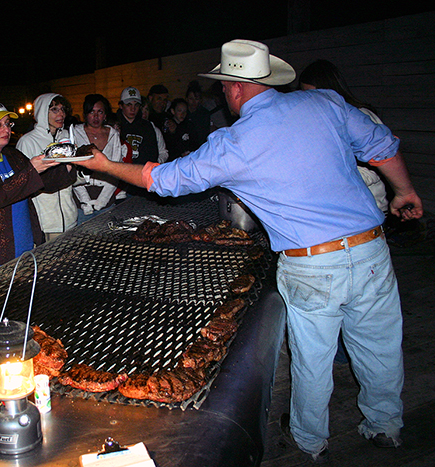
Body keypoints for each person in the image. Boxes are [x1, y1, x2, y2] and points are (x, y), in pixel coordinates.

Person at [73, 39, 423, 463]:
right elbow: (383, 145)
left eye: (223, 87)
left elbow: (163, 180)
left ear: (235, 88)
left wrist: (104, 165)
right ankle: (386, 425)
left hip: (313, 264)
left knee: (313, 357)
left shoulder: (235, 142)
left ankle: (309, 441)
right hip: (371, 249)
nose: (223, 94)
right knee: (380, 345)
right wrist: (404, 191)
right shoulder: (326, 104)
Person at [0, 100, 76, 286]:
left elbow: (41, 182)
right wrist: (32, 170)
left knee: (18, 313)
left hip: (21, 256)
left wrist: (70, 164)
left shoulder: (13, 156)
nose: (6, 130)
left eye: (8, 124)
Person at [299, 59, 389, 214]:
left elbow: (380, 166)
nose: (309, 100)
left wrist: (330, 176)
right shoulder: (318, 120)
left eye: (312, 93)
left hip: (368, 208)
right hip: (340, 209)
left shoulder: (361, 116)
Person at [16, 93, 78, 240]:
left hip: (70, 219)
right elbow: (26, 182)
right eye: (54, 109)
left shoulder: (67, 137)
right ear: (42, 112)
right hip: (46, 224)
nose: (61, 114)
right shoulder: (27, 141)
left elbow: (72, 178)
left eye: (63, 109)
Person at [70, 94, 125, 223]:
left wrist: (102, 201)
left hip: (107, 200)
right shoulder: (74, 133)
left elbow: (116, 168)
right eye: (92, 112)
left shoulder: (113, 134)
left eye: (100, 112)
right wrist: (85, 201)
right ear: (85, 114)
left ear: (105, 115)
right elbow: (72, 169)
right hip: (81, 203)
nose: (95, 116)